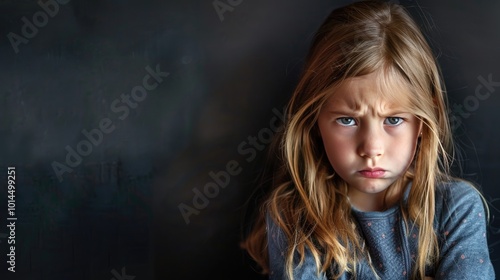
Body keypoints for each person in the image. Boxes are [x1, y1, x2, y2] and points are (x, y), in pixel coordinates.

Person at [240, 1, 495, 279]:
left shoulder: (455, 209)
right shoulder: (294, 217)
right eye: (347, 120)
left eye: (393, 120)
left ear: (423, 120)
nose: (371, 148)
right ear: (315, 121)